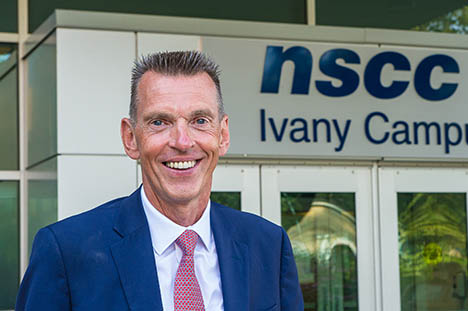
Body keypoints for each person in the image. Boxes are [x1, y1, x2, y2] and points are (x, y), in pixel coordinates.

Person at [16, 51, 304, 310]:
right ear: (131, 138)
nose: (182, 141)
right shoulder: (66, 252)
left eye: (200, 120)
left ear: (223, 134)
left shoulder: (268, 245)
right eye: (159, 122)